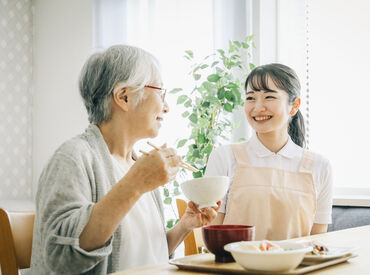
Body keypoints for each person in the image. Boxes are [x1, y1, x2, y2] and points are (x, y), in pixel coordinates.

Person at [28, 45, 219, 274]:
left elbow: (146, 256)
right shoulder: (73, 157)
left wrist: (184, 226)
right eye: (161, 92)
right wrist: (136, 183)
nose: (166, 107)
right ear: (124, 97)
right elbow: (63, 259)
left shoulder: (138, 165)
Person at [205, 63, 333, 240]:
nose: (258, 107)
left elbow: (317, 240)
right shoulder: (224, 158)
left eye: (269, 97)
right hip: (234, 265)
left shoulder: (320, 166)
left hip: (296, 266)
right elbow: (213, 233)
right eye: (250, 98)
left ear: (294, 105)